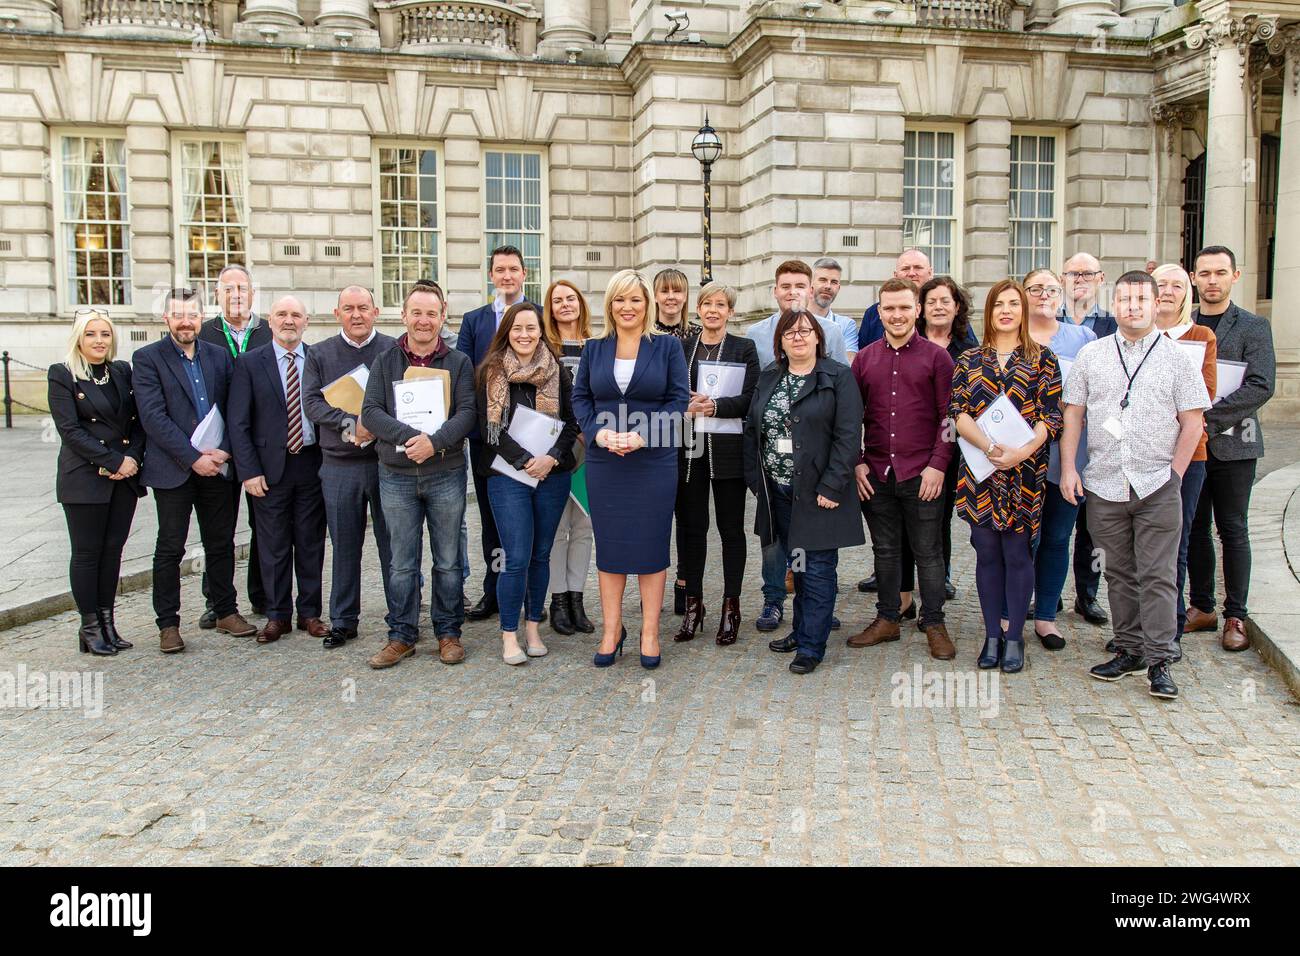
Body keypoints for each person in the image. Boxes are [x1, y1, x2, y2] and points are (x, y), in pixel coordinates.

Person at [1062, 271, 1211, 701]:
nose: (1132, 306)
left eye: (1140, 299)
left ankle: (1161, 658)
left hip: (1156, 483)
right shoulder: (1093, 355)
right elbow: (1073, 413)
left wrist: (1176, 475)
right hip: (1105, 483)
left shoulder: (1178, 357)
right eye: (1125, 299)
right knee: (1119, 573)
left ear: (1155, 303)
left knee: (1159, 574)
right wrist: (1070, 467)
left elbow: (1193, 421)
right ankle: (1129, 649)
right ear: (1116, 301)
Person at [572, 269, 690, 669]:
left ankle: (650, 631)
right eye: (620, 300)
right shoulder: (594, 348)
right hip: (606, 462)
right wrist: (598, 436)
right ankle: (612, 629)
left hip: (653, 460)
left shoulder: (667, 348)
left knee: (650, 545)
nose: (628, 307)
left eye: (636, 300)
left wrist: (644, 436)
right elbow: (581, 398)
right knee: (611, 546)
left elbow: (677, 403)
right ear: (610, 304)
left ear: (648, 305)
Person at [133, 288, 258, 653]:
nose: (185, 321)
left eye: (192, 314)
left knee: (221, 542)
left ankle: (225, 611)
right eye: (178, 315)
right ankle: (168, 624)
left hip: (217, 466)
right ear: (166, 319)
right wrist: (192, 458)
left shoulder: (220, 357)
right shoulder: (148, 359)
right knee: (170, 547)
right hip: (173, 469)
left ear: (203, 317)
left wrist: (226, 452)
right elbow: (153, 418)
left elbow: (237, 407)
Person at [363, 282, 477, 668]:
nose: (424, 321)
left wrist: (436, 443)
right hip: (396, 475)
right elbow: (371, 412)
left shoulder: (458, 362)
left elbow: (467, 413)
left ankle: (448, 632)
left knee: (447, 558)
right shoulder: (385, 360)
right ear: (404, 315)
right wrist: (415, 438)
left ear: (442, 316)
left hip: (445, 472)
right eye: (417, 313)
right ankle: (402, 635)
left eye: (431, 313)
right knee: (401, 561)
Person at [744, 309, 865, 674]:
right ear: (780, 341)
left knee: (819, 569)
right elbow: (753, 429)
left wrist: (832, 485)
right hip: (779, 491)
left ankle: (812, 644)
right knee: (796, 563)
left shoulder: (838, 376)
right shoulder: (770, 377)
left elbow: (848, 435)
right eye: (789, 332)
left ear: (818, 338)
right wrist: (758, 482)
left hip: (819, 493)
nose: (798, 337)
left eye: (805, 331)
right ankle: (800, 630)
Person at [950, 279, 1061, 674]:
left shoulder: (1043, 359)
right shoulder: (969, 360)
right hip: (982, 471)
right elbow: (958, 412)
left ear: (1023, 311)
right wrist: (990, 448)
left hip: (1025, 472)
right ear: (990, 311)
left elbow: (1051, 416)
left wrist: (1019, 452)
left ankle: (1014, 636)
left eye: (1014, 304)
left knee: (1017, 552)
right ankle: (991, 636)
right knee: (986, 553)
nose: (1007, 311)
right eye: (1000, 304)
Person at [847, 279, 955, 660]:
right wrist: (857, 461)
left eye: (904, 308)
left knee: (928, 551)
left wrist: (939, 465)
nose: (897, 315)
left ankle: (935, 622)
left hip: (922, 473)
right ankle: (888, 619)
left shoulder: (938, 358)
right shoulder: (864, 360)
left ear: (917, 311)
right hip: (877, 473)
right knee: (886, 550)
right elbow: (849, 418)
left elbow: (950, 418)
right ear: (880, 313)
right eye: (889, 309)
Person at [746, 259, 849, 634]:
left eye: (799, 286)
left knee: (814, 545)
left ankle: (815, 606)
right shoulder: (754, 335)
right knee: (774, 539)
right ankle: (774, 599)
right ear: (775, 290)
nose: (792, 292)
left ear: (810, 290)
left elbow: (840, 398)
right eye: (785, 285)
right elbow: (754, 402)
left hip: (814, 461)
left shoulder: (831, 332)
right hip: (773, 461)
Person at [476, 302, 580, 664]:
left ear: (541, 331)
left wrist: (549, 458)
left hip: (552, 473)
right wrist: (524, 461)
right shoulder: (491, 371)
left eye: (531, 328)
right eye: (517, 328)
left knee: (540, 554)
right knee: (516, 557)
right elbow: (489, 431)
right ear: (507, 331)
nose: (524, 334)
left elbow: (572, 422)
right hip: (508, 476)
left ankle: (533, 627)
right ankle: (509, 636)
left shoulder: (557, 371)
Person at [1185, 245, 1276, 651]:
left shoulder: (1253, 327)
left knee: (1233, 529)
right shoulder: (1183, 327)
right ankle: (1201, 606)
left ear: (1234, 276)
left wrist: (1208, 417)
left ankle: (1236, 615)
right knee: (1195, 528)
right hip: (1192, 447)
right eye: (1204, 273)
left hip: (1235, 446)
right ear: (1193, 278)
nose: (1212, 281)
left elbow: (1261, 385)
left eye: (1220, 273)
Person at [227, 295, 328, 645]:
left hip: (311, 462)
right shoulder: (249, 363)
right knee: (273, 545)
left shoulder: (318, 358)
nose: (289, 320)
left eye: (296, 315)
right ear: (269, 321)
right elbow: (238, 423)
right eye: (282, 314)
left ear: (306, 321)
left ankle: (311, 613)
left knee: (311, 541)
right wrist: (248, 472)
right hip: (268, 468)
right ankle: (277, 615)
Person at [302, 286, 398, 649]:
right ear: (336, 312)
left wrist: (377, 426)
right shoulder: (320, 353)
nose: (356, 315)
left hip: (386, 462)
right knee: (344, 544)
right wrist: (350, 422)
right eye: (348, 309)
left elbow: (405, 393)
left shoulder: (393, 348)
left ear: (375, 311)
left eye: (363, 308)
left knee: (394, 545)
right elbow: (311, 402)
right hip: (339, 465)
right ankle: (343, 619)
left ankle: (400, 617)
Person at [48, 310, 146, 655]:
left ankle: (108, 622)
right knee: (87, 554)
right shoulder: (63, 375)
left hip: (123, 479)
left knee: (112, 552)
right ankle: (89, 627)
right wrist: (113, 461)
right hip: (85, 479)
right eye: (91, 334)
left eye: (105, 334)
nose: (99, 340)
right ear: (79, 338)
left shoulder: (121, 372)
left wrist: (131, 459)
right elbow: (70, 430)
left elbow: (136, 421)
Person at [673, 283, 760, 645]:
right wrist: (686, 405)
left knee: (730, 530)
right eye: (707, 303)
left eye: (720, 304)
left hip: (728, 449)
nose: (713, 310)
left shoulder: (744, 347)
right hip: (690, 449)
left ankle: (731, 606)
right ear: (698, 308)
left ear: (730, 311)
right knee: (692, 529)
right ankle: (693, 605)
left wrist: (716, 406)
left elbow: (752, 396)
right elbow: (670, 390)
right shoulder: (682, 347)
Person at [457, 245, 534, 623]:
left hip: (531, 432)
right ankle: (494, 589)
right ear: (491, 275)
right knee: (491, 517)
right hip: (486, 436)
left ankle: (533, 593)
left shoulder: (538, 315)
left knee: (532, 515)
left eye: (513, 269)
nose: (506, 276)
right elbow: (466, 376)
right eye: (500, 270)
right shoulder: (474, 321)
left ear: (524, 274)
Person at [1023, 267, 1096, 650]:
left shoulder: (1083, 338)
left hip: (1067, 454)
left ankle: (1047, 615)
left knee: (1056, 537)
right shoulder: (1010, 336)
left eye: (1052, 289)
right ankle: (1013, 609)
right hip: (1019, 455)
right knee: (1020, 539)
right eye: (1036, 289)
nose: (1045, 295)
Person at [196, 262, 270, 624]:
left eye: (242, 288)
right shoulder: (204, 334)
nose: (236, 295)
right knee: (219, 528)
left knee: (265, 525)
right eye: (228, 289)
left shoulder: (269, 332)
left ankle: (264, 594)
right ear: (217, 294)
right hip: (216, 447)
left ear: (252, 294)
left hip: (261, 446)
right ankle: (218, 601)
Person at [898, 276, 978, 603]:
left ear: (956, 307)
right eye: (932, 302)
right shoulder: (907, 343)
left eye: (945, 301)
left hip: (956, 446)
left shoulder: (969, 351)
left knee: (939, 513)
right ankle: (902, 585)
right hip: (912, 444)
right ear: (921, 309)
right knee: (905, 515)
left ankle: (938, 577)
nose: (939, 307)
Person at [1151, 264, 1216, 649]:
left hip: (1187, 455)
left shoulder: (1199, 335)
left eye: (1178, 285)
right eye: (1162, 284)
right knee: (1135, 543)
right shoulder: (1134, 337)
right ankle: (1139, 625)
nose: (1170, 291)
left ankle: (1169, 628)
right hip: (1140, 453)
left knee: (1174, 539)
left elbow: (1204, 393)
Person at [1059, 252, 1117, 625]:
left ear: (1100, 278)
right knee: (1055, 525)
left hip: (1104, 435)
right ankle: (1045, 594)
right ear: (1062, 279)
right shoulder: (1049, 321)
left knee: (1095, 527)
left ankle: (1088, 594)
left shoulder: (1114, 323)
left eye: (1087, 273)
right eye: (1072, 273)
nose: (1079, 279)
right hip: (1060, 436)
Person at [541, 278, 597, 636]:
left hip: (591, 446)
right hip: (556, 445)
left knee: (585, 527)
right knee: (557, 528)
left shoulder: (597, 345)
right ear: (550, 307)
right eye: (557, 300)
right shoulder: (544, 347)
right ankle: (557, 600)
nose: (565, 305)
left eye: (570, 298)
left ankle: (578, 598)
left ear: (580, 303)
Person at [858, 249, 933, 351]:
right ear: (895, 275)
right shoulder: (873, 313)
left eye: (918, 268)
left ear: (930, 273)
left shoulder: (939, 311)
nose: (911, 273)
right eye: (905, 269)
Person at [810, 257, 859, 360]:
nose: (828, 286)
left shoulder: (846, 325)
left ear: (839, 288)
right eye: (822, 280)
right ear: (810, 284)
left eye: (834, 282)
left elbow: (847, 365)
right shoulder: (794, 321)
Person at [653, 268, 700, 340]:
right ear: (655, 296)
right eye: (664, 291)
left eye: (677, 291)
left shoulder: (699, 335)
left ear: (685, 296)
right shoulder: (644, 334)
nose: (671, 297)